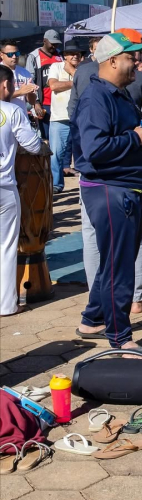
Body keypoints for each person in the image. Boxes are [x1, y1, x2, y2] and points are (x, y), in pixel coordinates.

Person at [72, 33, 142, 349]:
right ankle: (119, 336)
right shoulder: (97, 97)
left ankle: (93, 318)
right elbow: (94, 149)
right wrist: (136, 139)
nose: (136, 62)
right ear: (112, 61)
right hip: (110, 189)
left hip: (127, 188)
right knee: (119, 267)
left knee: (114, 262)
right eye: (130, 57)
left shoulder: (118, 94)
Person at [0, 65, 42, 316]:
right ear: (6, 85)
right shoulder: (12, 111)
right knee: (5, 246)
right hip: (4, 187)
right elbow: (34, 146)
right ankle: (6, 305)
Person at [68, 29, 142, 126]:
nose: (136, 58)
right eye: (131, 55)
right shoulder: (141, 78)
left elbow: (72, 110)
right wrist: (135, 136)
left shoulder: (81, 72)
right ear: (113, 61)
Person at [47, 41, 81, 193]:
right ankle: (56, 184)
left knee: (83, 152)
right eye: (71, 53)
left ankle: (86, 183)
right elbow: (54, 86)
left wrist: (74, 74)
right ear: (64, 56)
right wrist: (76, 81)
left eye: (78, 54)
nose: (75, 56)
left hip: (80, 117)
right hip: (59, 117)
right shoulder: (56, 66)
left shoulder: (84, 69)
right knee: (56, 154)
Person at [25, 30, 63, 139]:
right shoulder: (34, 56)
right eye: (52, 43)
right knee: (45, 136)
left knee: (58, 137)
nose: (54, 46)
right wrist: (36, 103)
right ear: (44, 41)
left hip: (59, 103)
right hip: (44, 104)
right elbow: (30, 81)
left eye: (56, 43)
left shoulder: (60, 55)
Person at [0, 41, 37, 115]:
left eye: (17, 54)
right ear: (1, 55)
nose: (14, 57)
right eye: (10, 54)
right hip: (4, 118)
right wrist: (20, 92)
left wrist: (30, 93)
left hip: (21, 116)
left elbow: (32, 102)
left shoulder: (25, 72)